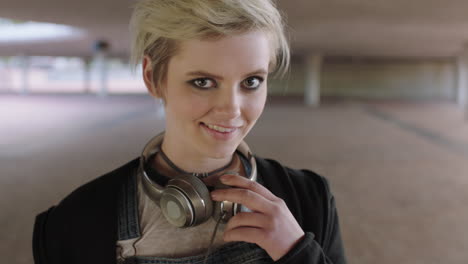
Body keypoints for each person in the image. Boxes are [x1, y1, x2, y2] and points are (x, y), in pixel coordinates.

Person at [33, 0, 347, 263]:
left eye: (251, 81)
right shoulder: (73, 223)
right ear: (153, 77)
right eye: (203, 82)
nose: (232, 109)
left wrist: (299, 254)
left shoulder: (310, 200)